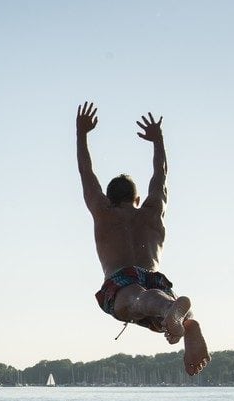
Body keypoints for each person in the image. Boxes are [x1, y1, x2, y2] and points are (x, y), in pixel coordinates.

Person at [75, 101, 210, 376]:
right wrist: (158, 141)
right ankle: (185, 318)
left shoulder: (104, 212)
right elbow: (160, 176)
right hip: (154, 276)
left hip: (123, 278)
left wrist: (81, 133)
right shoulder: (151, 212)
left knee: (137, 301)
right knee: (159, 301)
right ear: (137, 199)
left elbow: (86, 174)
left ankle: (173, 310)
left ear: (109, 199)